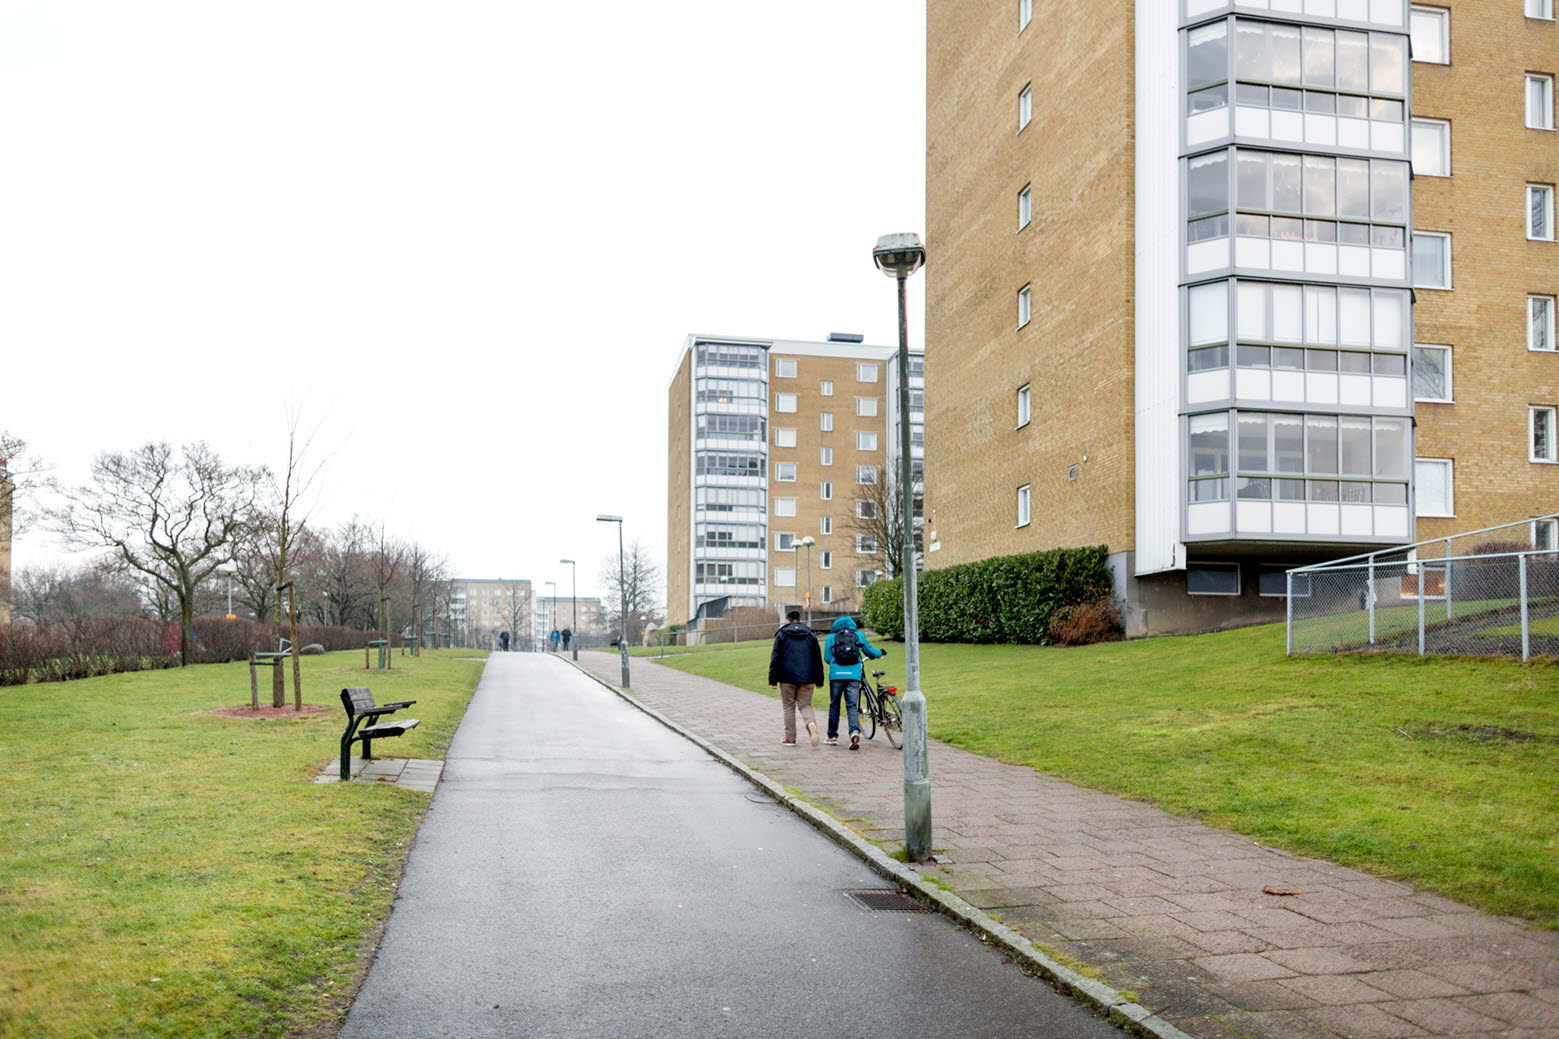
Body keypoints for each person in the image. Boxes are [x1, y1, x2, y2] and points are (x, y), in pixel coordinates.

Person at [823, 615, 885, 750]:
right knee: (851, 705)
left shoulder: (831, 638)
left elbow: (827, 658)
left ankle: (832, 736)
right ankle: (854, 732)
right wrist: (880, 652)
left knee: (834, 704)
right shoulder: (859, 636)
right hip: (854, 675)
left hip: (836, 676)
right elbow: (870, 652)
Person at [767, 610, 823, 747]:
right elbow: (817, 658)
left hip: (786, 677)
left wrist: (772, 680)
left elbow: (775, 658)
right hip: (808, 677)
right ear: (800, 620)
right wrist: (819, 680)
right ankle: (811, 724)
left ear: (787, 621)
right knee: (805, 705)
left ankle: (790, 738)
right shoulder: (810, 634)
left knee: (788, 707)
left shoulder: (781, 634)